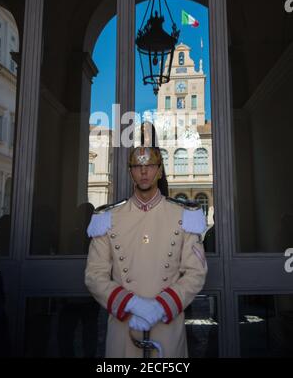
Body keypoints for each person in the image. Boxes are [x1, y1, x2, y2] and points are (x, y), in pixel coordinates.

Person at [85, 146, 208, 358]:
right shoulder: (107, 217)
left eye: (150, 165)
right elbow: (94, 275)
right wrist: (132, 304)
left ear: (159, 170)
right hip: (124, 330)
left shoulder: (184, 214)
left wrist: (161, 307)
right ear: (130, 171)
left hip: (167, 330)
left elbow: (196, 272)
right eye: (137, 166)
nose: (144, 172)